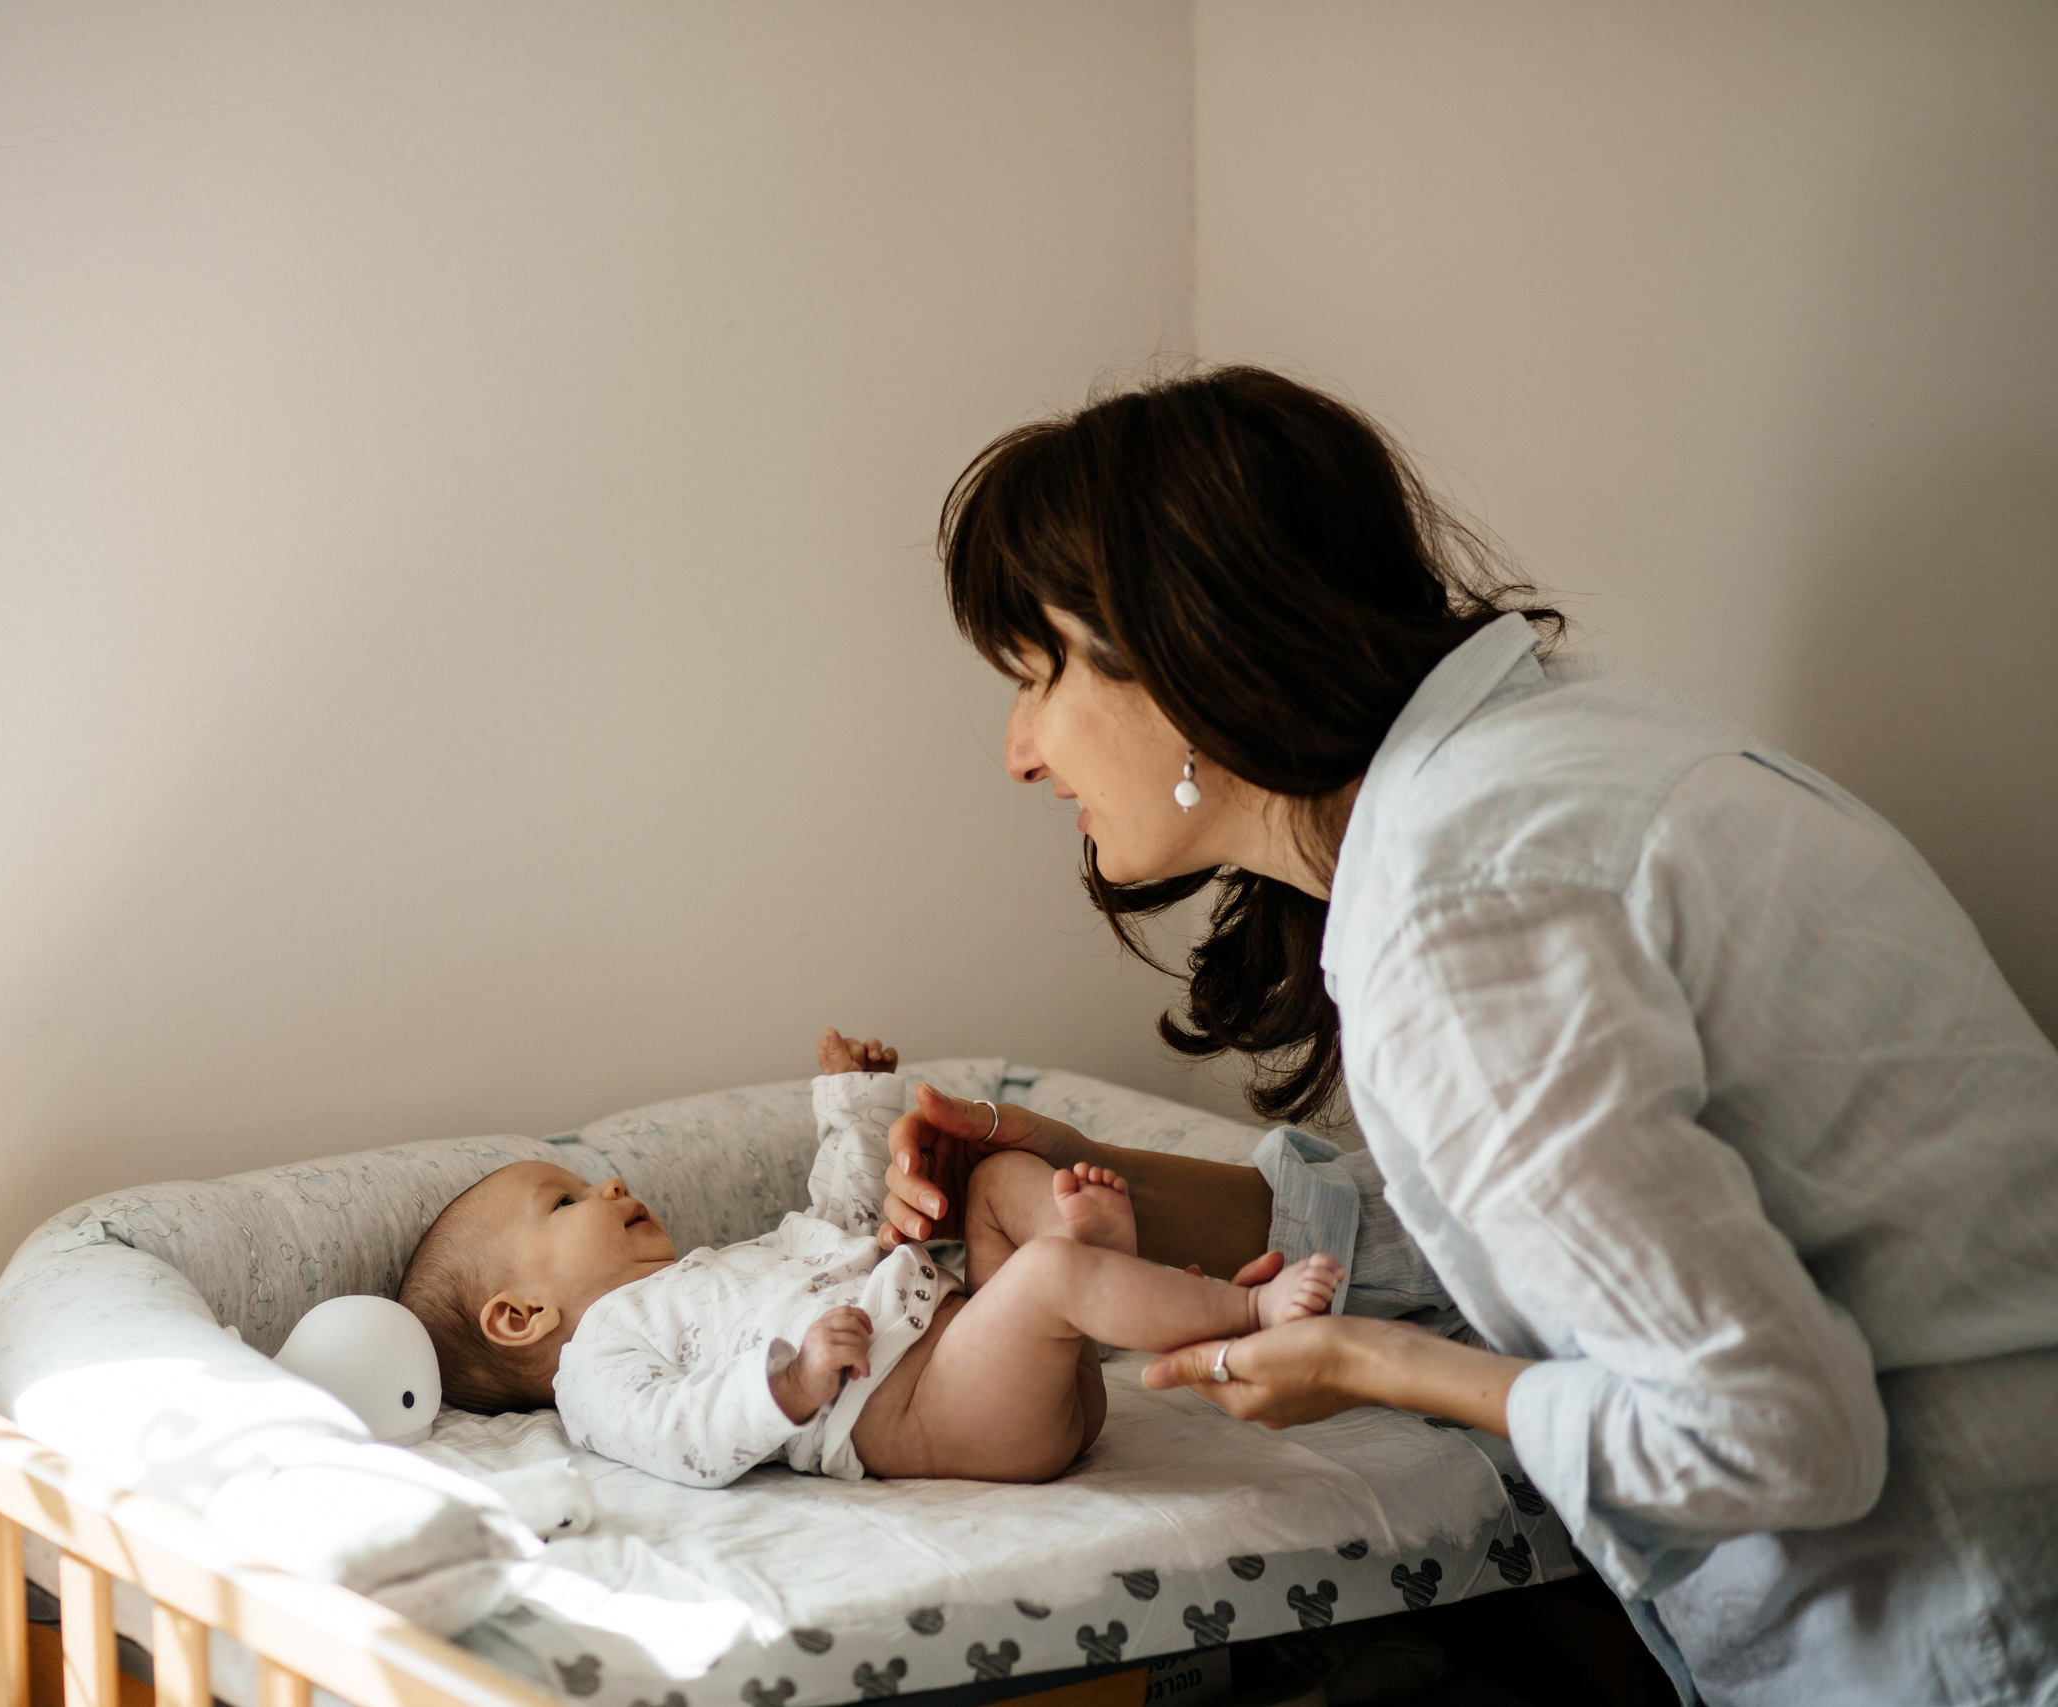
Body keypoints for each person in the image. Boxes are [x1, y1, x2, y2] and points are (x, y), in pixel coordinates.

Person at [877, 368, 2058, 1707]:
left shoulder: (1459, 906)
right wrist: (1106, 1173)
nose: (1019, 749)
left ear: (1185, 661)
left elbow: (1784, 1440)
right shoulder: (1536, 756)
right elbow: (1530, 1228)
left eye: (1035, 675)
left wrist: (1374, 1365)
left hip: (1965, 1624)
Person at [395, 1027, 1339, 1488]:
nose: (606, 1188)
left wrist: (853, 1100)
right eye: (564, 1200)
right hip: (932, 1411)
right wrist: (794, 1383)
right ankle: (1244, 1314)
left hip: (983, 1346)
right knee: (1049, 1279)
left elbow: (850, 1219)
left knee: (1008, 1176)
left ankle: (1101, 1273)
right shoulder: (598, 1363)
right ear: (521, 1314)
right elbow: (681, 1435)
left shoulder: (722, 1267)